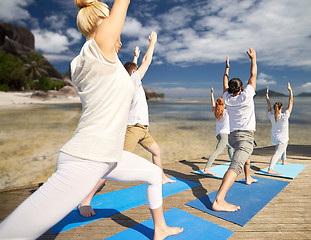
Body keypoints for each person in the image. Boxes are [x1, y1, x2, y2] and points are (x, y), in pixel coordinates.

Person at [0, 1, 183, 239]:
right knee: (12, 233)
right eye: (113, 27)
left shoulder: (102, 65)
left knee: (152, 174)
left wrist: (147, 50)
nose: (120, 38)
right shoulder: (95, 51)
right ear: (102, 23)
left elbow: (130, 73)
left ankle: (160, 228)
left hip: (109, 156)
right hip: (86, 159)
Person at [78, 32, 175, 219]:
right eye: (137, 69)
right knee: (113, 165)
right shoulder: (131, 81)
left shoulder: (130, 82)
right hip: (133, 129)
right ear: (134, 73)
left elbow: (131, 68)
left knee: (156, 151)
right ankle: (85, 200)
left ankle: (162, 177)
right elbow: (146, 62)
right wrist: (152, 43)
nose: (140, 72)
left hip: (142, 130)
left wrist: (134, 57)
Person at [212, 51, 258, 212]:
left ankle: (248, 177)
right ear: (242, 88)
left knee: (243, 154)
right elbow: (253, 74)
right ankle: (219, 200)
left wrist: (226, 69)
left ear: (230, 89)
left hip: (233, 137)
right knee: (235, 165)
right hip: (245, 137)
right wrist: (253, 59)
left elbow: (224, 82)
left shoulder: (226, 97)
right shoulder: (247, 95)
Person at [203, 87, 233, 176]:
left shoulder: (216, 111)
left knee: (230, 147)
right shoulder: (227, 112)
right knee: (217, 151)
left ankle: (233, 164)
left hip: (219, 134)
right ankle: (207, 169)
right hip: (224, 135)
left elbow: (212, 103)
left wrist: (212, 94)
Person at [265, 83, 293, 175]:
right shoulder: (285, 116)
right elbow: (291, 102)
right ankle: (270, 168)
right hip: (282, 139)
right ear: (281, 108)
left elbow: (268, 106)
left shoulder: (271, 116)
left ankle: (284, 160)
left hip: (275, 138)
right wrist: (290, 90)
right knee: (278, 152)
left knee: (283, 145)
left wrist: (267, 96)